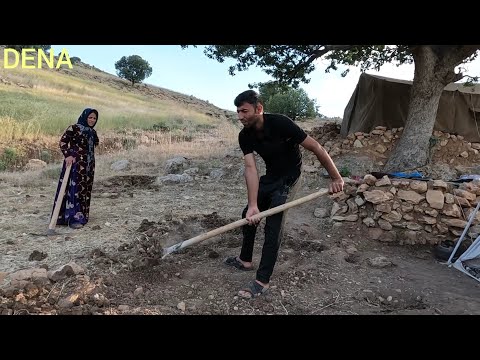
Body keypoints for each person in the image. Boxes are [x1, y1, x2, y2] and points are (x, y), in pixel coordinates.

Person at [224, 90, 344, 299]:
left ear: (259, 108)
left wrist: (336, 178)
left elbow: (316, 147)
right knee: (248, 215)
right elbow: (251, 168)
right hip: (271, 176)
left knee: (273, 224)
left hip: (290, 177)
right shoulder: (245, 135)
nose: (240, 117)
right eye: (238, 112)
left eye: (244, 111)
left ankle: (262, 281)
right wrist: (253, 204)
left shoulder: (281, 123)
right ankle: (245, 260)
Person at [51, 108, 99, 229]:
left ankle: (82, 215)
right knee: (74, 189)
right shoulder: (74, 128)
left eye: (94, 118)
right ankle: (71, 218)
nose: (92, 120)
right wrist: (68, 155)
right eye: (90, 117)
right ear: (85, 117)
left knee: (85, 189)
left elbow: (94, 146)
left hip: (88, 166)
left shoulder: (92, 132)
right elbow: (63, 142)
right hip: (74, 164)